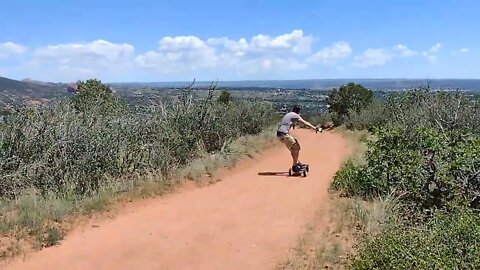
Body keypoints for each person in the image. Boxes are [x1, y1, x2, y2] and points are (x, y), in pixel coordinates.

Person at [277, 105, 321, 172]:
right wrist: (315, 128)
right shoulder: (295, 115)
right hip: (284, 134)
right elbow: (305, 122)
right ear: (298, 111)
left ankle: (296, 163)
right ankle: (295, 166)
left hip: (280, 134)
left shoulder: (289, 114)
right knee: (297, 147)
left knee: (293, 148)